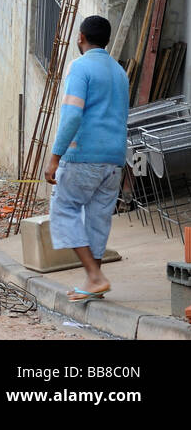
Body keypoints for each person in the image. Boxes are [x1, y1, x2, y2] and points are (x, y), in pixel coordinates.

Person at [45, 15, 129, 303]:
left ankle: (94, 276)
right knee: (98, 220)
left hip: (83, 156)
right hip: (114, 159)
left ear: (80, 37)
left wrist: (55, 157)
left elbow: (71, 116)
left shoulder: (79, 68)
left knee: (64, 210)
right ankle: (94, 282)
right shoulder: (119, 72)